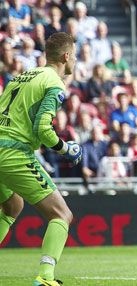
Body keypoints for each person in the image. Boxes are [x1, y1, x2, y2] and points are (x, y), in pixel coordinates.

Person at [0, 32, 82, 286]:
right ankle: (45, 278)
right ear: (66, 56)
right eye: (75, 56)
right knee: (61, 214)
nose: (76, 61)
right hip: (12, 153)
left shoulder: (22, 76)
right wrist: (66, 149)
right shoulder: (55, 83)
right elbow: (43, 130)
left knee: (13, 206)